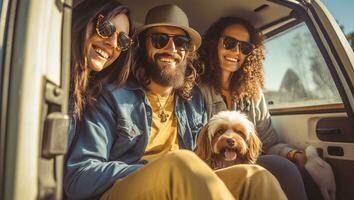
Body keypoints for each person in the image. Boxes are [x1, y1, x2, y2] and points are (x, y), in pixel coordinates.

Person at [64, 4, 287, 200]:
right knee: (182, 163)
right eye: (160, 40)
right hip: (124, 191)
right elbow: (80, 176)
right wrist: (154, 168)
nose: (171, 49)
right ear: (143, 46)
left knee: (255, 177)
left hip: (183, 186)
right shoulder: (111, 96)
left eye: (180, 42)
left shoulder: (193, 101)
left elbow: (205, 157)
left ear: (188, 52)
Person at [199, 16, 334, 200]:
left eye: (244, 47)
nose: (236, 51)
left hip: (247, 159)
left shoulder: (253, 92)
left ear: (250, 54)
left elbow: (268, 142)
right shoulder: (198, 89)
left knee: (294, 168)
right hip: (212, 165)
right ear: (214, 44)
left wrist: (295, 154)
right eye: (229, 43)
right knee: (282, 167)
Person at [67, 0, 134, 147]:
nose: (113, 43)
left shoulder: (96, 100)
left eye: (123, 40)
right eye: (106, 28)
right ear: (84, 20)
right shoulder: (45, 74)